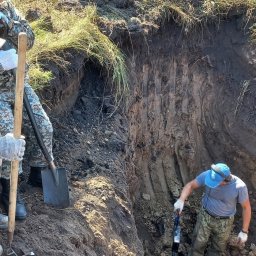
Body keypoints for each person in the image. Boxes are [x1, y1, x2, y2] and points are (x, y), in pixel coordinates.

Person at [0, 0, 54, 220]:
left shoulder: (7, 8)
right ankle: (9, 190)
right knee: (9, 138)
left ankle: (38, 173)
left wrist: (8, 26)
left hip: (19, 82)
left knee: (44, 126)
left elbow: (29, 38)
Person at [174, 163, 251, 256]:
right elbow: (191, 185)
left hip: (224, 223)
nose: (211, 182)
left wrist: (244, 231)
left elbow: (246, 207)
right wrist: (181, 200)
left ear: (225, 180)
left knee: (218, 249)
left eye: (215, 181)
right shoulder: (208, 174)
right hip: (205, 216)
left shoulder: (239, 187)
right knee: (197, 244)